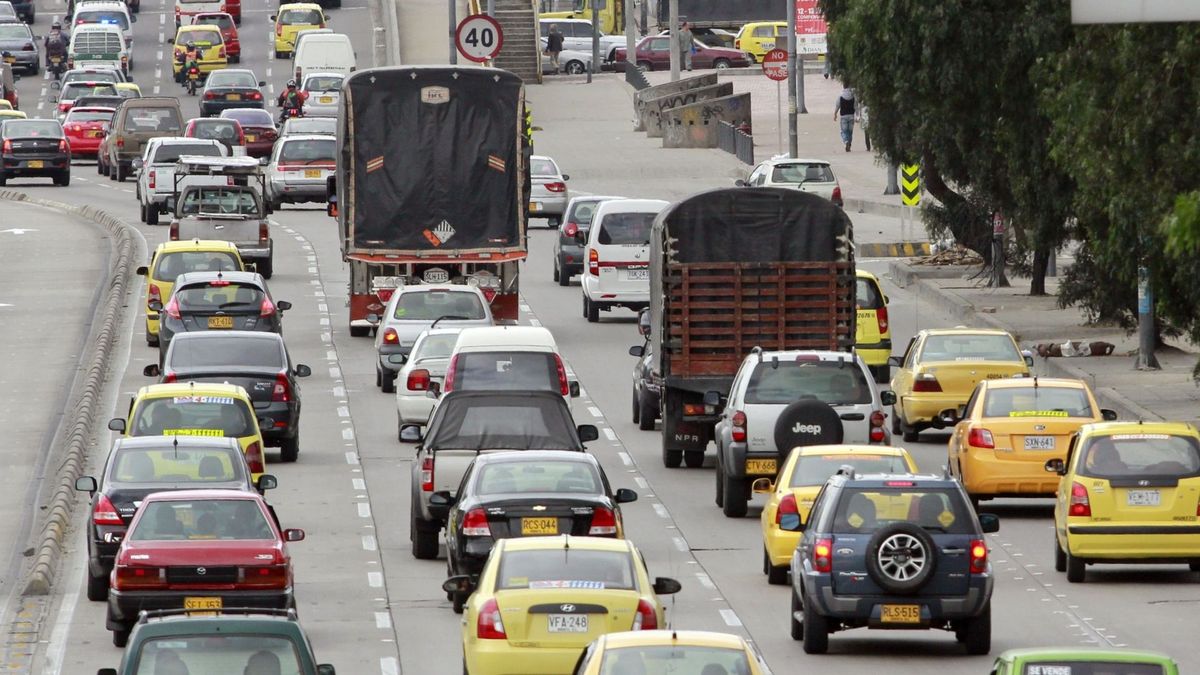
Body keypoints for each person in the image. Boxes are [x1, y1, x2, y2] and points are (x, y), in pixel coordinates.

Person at [833, 86, 855, 152]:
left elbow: (837, 106)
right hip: (851, 116)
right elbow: (856, 106)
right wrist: (857, 115)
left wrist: (835, 114)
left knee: (844, 131)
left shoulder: (840, 96)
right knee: (850, 132)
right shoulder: (853, 96)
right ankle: (849, 144)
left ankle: (846, 141)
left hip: (843, 116)